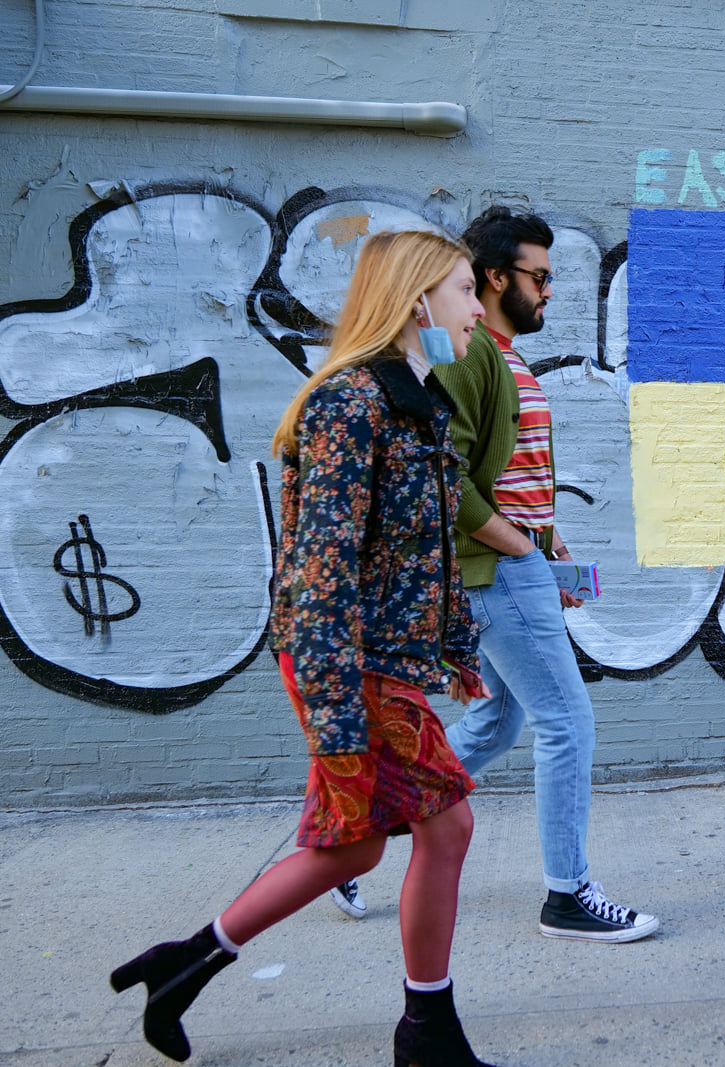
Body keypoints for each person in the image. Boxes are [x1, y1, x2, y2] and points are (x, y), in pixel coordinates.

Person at [110, 230, 500, 1067]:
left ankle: (185, 963)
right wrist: (335, 716)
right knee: (448, 825)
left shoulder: (417, 401)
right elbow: (320, 573)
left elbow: (425, 550)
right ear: (417, 299)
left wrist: (455, 649)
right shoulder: (350, 404)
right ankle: (427, 1032)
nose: (478, 307)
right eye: (466, 289)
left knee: (355, 845)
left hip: (379, 661)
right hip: (348, 663)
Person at [336, 206, 657, 942]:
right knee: (566, 722)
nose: (549, 290)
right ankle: (568, 894)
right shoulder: (472, 352)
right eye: (538, 277)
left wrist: (549, 539)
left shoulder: (501, 354)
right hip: (499, 570)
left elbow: (511, 472)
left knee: (496, 720)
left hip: (514, 561)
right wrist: (519, 548)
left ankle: (356, 835)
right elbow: (449, 475)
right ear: (495, 277)